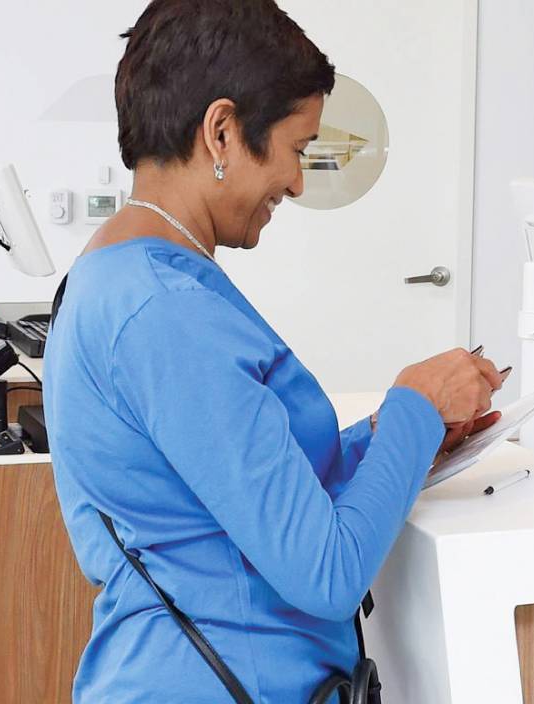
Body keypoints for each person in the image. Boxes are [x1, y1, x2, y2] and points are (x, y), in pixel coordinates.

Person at [42, 1, 505, 701]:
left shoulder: (131, 277)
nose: (296, 182)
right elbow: (326, 573)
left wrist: (390, 440)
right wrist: (415, 402)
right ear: (221, 131)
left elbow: (242, 482)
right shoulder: (163, 311)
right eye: (297, 149)